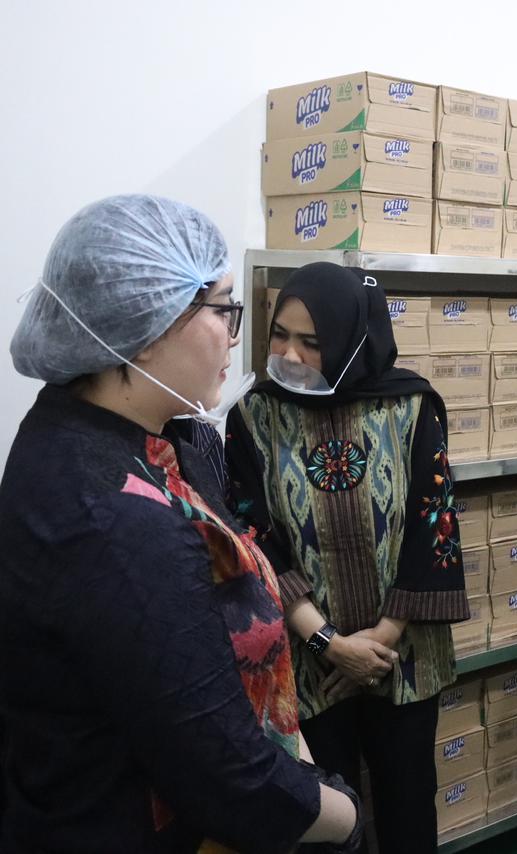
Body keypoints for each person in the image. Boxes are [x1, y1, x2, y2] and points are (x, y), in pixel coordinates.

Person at [0, 195, 360, 852]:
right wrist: (350, 819)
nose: (235, 335)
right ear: (147, 326)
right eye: (222, 310)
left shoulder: (155, 435)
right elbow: (229, 779)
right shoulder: (113, 518)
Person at [226, 262, 468, 854]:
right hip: (311, 664)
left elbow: (432, 523)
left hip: (402, 657)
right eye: (280, 335)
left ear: (352, 340)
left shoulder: (411, 407)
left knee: (408, 806)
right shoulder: (254, 417)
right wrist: (329, 643)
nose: (290, 355)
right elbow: (254, 536)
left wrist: (380, 640)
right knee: (326, 821)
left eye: (312, 342)